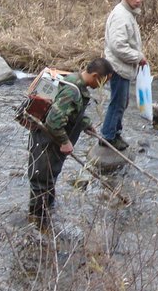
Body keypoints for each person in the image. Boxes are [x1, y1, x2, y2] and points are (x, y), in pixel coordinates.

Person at [28, 58, 114, 230]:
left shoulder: (78, 85)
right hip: (46, 141)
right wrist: (65, 142)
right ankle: (37, 223)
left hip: (52, 142)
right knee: (41, 182)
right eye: (104, 81)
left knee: (49, 179)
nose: (104, 85)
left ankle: (47, 215)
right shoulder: (72, 90)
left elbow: (73, 112)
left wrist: (86, 124)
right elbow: (54, 120)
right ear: (96, 76)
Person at [101, 0, 147, 150]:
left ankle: (114, 133)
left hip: (122, 67)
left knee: (122, 102)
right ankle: (108, 136)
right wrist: (138, 57)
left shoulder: (129, 13)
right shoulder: (121, 15)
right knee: (118, 103)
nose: (138, 0)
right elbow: (118, 46)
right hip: (118, 67)